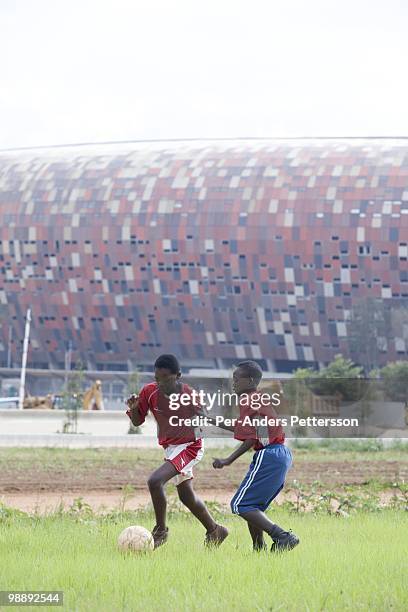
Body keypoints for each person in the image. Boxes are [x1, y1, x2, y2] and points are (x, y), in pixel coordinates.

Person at [126, 353, 228, 549]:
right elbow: (138, 421)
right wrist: (134, 409)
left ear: (178, 376)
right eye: (157, 378)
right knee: (186, 496)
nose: (161, 383)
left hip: (190, 447)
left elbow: (207, 419)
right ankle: (215, 531)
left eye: (166, 379)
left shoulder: (189, 396)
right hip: (172, 448)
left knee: (155, 481)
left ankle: (160, 531)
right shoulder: (149, 391)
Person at [212, 360, 299, 552]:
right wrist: (211, 420)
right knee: (253, 504)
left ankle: (282, 536)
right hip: (280, 454)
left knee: (240, 504)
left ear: (251, 381)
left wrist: (227, 460)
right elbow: (245, 428)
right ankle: (258, 548)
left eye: (237, 379)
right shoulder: (257, 399)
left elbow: (251, 438)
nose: (233, 383)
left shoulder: (248, 400)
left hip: (268, 455)